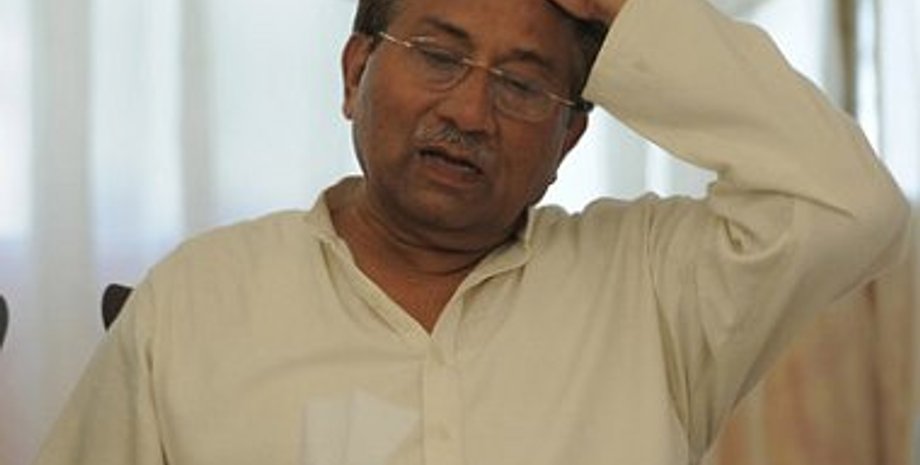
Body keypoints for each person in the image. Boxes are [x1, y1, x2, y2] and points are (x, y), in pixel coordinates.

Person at [34, 0, 908, 463]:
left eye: (523, 84)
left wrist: (635, 12)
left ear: (569, 140)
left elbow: (852, 204)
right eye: (440, 56)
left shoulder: (651, 287)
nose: (470, 112)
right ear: (355, 72)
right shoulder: (199, 300)